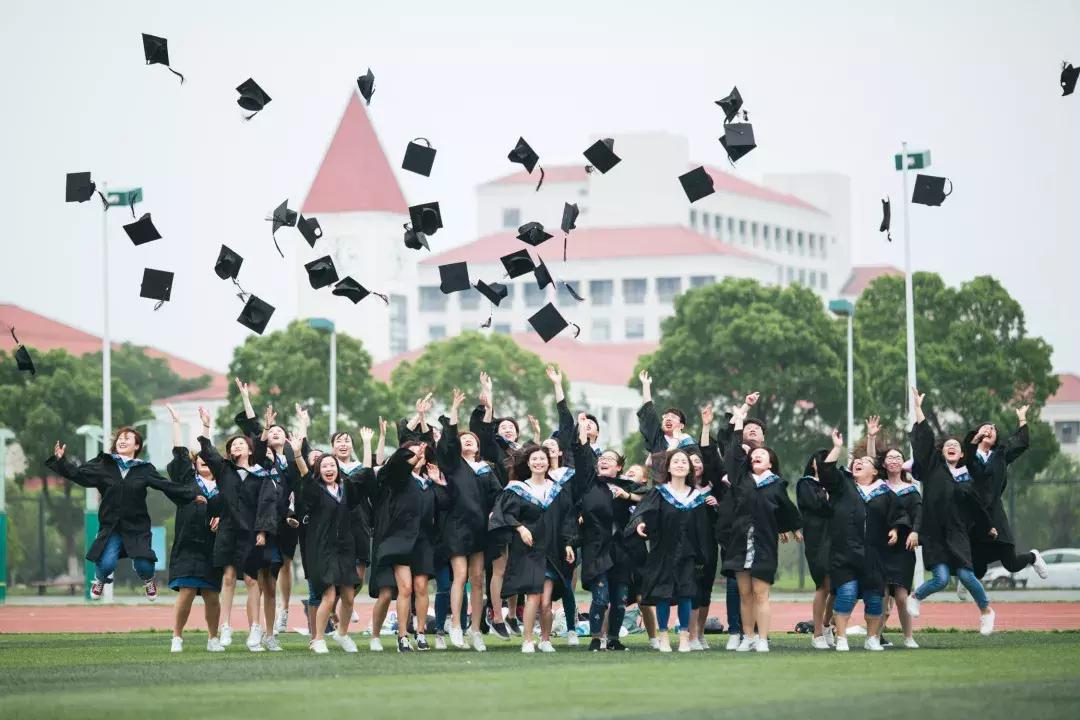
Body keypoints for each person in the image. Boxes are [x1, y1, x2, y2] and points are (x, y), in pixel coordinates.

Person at [46, 426, 196, 603]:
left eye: (127, 438)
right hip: (112, 527)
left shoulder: (144, 469)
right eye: (120, 438)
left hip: (137, 527)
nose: (122, 441)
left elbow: (166, 485)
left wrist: (193, 494)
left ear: (137, 445)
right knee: (107, 563)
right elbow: (80, 475)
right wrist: (62, 461)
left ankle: (149, 581)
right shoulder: (105, 464)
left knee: (144, 565)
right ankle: (100, 580)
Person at [906, 387, 998, 635]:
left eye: (955, 445)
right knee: (941, 579)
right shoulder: (933, 467)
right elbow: (925, 441)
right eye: (947, 444)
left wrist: (987, 524)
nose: (951, 446)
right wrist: (918, 410)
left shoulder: (968, 476)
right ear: (942, 451)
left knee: (967, 577)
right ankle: (915, 597)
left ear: (962, 453)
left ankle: (986, 611)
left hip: (957, 532)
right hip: (935, 532)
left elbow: (977, 505)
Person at [197, 403, 288, 652]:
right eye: (232, 445)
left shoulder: (261, 474)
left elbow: (266, 506)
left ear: (249, 449)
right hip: (228, 530)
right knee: (227, 578)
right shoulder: (224, 470)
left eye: (241, 443)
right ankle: (225, 627)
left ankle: (255, 630)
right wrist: (206, 425)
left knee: (252, 581)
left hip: (251, 533)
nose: (236, 446)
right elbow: (207, 451)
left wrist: (261, 531)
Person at [818, 429, 909, 651]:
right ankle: (841, 638)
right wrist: (837, 447)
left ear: (876, 471)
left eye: (865, 461)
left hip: (873, 554)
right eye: (857, 461)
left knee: (875, 597)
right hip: (845, 553)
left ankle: (871, 639)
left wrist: (896, 529)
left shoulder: (884, 493)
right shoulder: (844, 486)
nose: (859, 462)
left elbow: (898, 514)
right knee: (846, 594)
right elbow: (826, 471)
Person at [723, 404, 802, 653]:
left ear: (770, 463)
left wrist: (795, 528)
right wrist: (739, 421)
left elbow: (787, 510)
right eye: (754, 456)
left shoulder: (776, 485)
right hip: (739, 543)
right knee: (744, 594)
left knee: (760, 594)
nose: (756, 457)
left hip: (764, 544)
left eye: (762, 456)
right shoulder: (740, 479)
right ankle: (748, 637)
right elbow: (734, 453)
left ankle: (763, 639)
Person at [489, 442, 578, 653]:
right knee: (533, 596)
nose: (539, 462)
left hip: (552, 551)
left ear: (548, 463)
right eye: (534, 459)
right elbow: (505, 514)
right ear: (528, 463)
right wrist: (520, 528)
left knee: (546, 601)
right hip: (528, 551)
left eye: (542, 459)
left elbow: (567, 520)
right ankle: (528, 640)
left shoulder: (557, 490)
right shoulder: (517, 489)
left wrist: (568, 543)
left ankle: (545, 639)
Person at [570, 412, 645, 652]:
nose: (604, 460)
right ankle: (595, 638)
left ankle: (613, 638)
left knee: (620, 600)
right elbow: (581, 454)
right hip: (596, 547)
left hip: (621, 550)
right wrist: (581, 428)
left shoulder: (625, 486)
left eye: (610, 459)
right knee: (600, 598)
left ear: (619, 467)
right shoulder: (589, 483)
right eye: (602, 457)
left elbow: (651, 496)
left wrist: (628, 496)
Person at [436, 388, 502, 652]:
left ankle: (475, 629)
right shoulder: (453, 466)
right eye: (464, 440)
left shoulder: (486, 469)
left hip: (480, 529)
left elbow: (499, 495)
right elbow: (448, 440)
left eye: (472, 440)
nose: (468, 441)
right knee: (459, 576)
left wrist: (493, 513)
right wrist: (454, 410)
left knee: (477, 580)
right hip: (456, 527)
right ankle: (456, 624)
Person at [626, 446, 710, 653]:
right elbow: (643, 512)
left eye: (684, 462)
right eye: (676, 462)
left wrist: (702, 555)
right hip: (662, 551)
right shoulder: (659, 492)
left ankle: (683, 637)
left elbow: (702, 528)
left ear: (689, 468)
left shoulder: (695, 497)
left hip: (687, 553)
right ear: (669, 468)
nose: (680, 464)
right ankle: (663, 636)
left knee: (685, 594)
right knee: (663, 594)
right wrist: (640, 524)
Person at [369, 441, 449, 652]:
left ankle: (420, 634)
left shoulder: (428, 483)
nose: (418, 457)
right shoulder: (398, 479)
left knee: (422, 588)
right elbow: (394, 466)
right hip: (400, 540)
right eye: (412, 455)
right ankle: (402, 636)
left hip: (423, 541)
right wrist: (411, 457)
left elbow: (445, 505)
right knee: (405, 588)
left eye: (421, 455)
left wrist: (438, 483)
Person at [302, 443, 378, 654]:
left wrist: (367, 444)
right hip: (323, 549)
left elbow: (365, 473)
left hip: (345, 548)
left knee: (349, 597)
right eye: (324, 466)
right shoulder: (315, 490)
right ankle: (317, 639)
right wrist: (299, 454)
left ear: (337, 469)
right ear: (318, 471)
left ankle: (342, 633)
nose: (328, 469)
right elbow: (304, 476)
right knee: (328, 596)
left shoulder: (346, 489)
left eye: (332, 466)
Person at [163, 405, 224, 653]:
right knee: (187, 591)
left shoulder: (225, 486)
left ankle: (213, 638)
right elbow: (179, 454)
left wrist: (223, 519)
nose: (205, 463)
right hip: (188, 544)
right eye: (200, 460)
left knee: (211, 595)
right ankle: (177, 637)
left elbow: (236, 509)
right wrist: (177, 424)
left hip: (213, 546)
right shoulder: (187, 482)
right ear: (195, 464)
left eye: (209, 460)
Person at [964, 408, 1049, 582]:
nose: (989, 430)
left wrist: (1022, 418)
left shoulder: (1000, 455)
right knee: (977, 567)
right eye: (985, 428)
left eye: (993, 429)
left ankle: (1033, 557)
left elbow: (1021, 442)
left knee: (1012, 564)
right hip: (974, 515)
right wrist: (977, 438)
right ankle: (968, 580)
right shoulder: (968, 455)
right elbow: (967, 456)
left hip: (995, 514)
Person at [881, 444, 922, 648]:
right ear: (883, 463)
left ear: (904, 463)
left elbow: (918, 514)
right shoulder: (878, 487)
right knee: (881, 595)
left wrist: (915, 531)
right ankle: (874, 636)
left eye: (898, 457)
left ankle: (908, 636)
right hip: (880, 546)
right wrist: (871, 437)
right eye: (890, 457)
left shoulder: (911, 490)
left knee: (901, 595)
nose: (894, 460)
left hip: (903, 548)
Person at [796, 447, 834, 649]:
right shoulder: (806, 484)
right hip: (818, 539)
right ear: (814, 463)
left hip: (840, 538)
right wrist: (828, 497)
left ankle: (827, 625)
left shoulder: (838, 483)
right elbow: (819, 506)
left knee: (838, 586)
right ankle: (817, 633)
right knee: (824, 585)